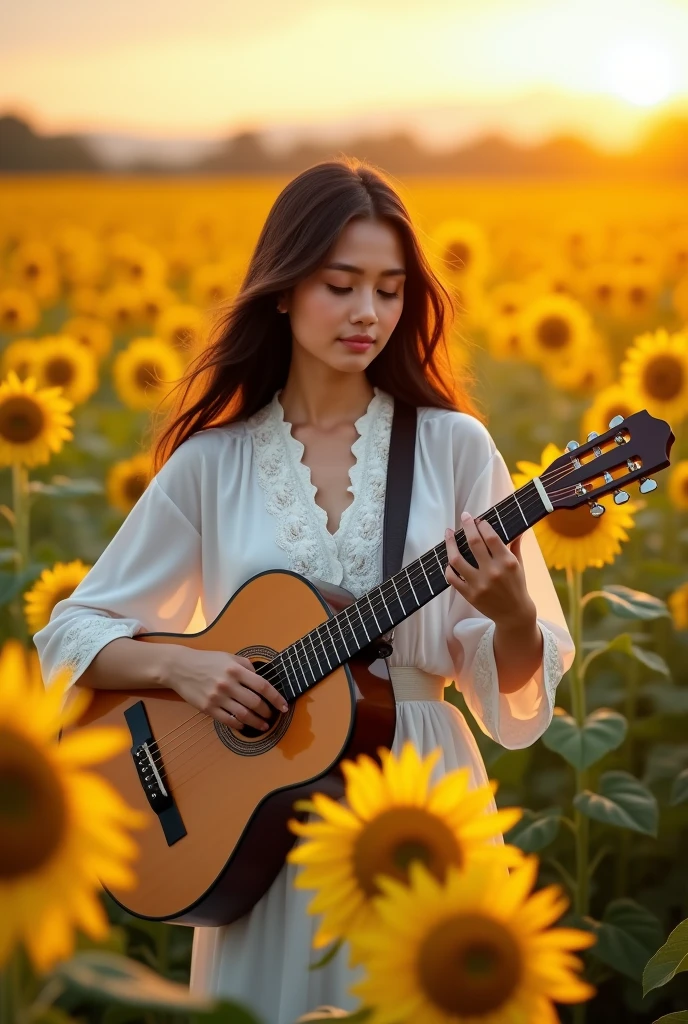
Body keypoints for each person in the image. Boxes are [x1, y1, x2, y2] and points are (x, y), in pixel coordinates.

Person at [33, 156, 575, 1024]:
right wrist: (184, 673)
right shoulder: (213, 462)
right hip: (259, 827)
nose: (369, 313)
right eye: (341, 284)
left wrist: (512, 617)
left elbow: (512, 691)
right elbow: (71, 631)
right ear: (283, 290)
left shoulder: (454, 447)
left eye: (392, 290)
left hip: (421, 801)